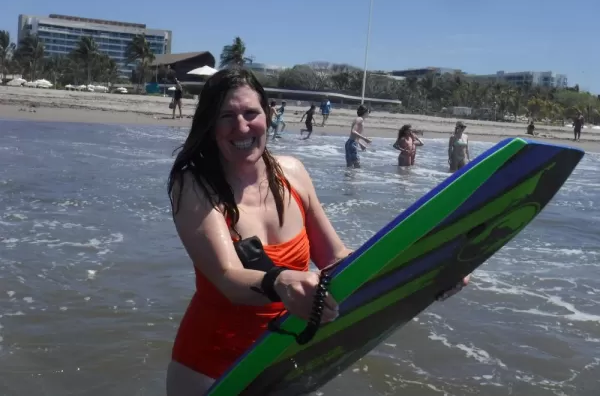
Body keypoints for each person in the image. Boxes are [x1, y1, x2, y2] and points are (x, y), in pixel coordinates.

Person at [165, 68, 469, 395]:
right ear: (211, 125)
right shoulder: (194, 185)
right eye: (227, 116)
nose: (242, 126)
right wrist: (279, 282)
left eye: (251, 113)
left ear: (267, 116)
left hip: (287, 355)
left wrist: (424, 270)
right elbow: (227, 277)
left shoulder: (292, 173)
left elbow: (334, 257)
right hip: (213, 370)